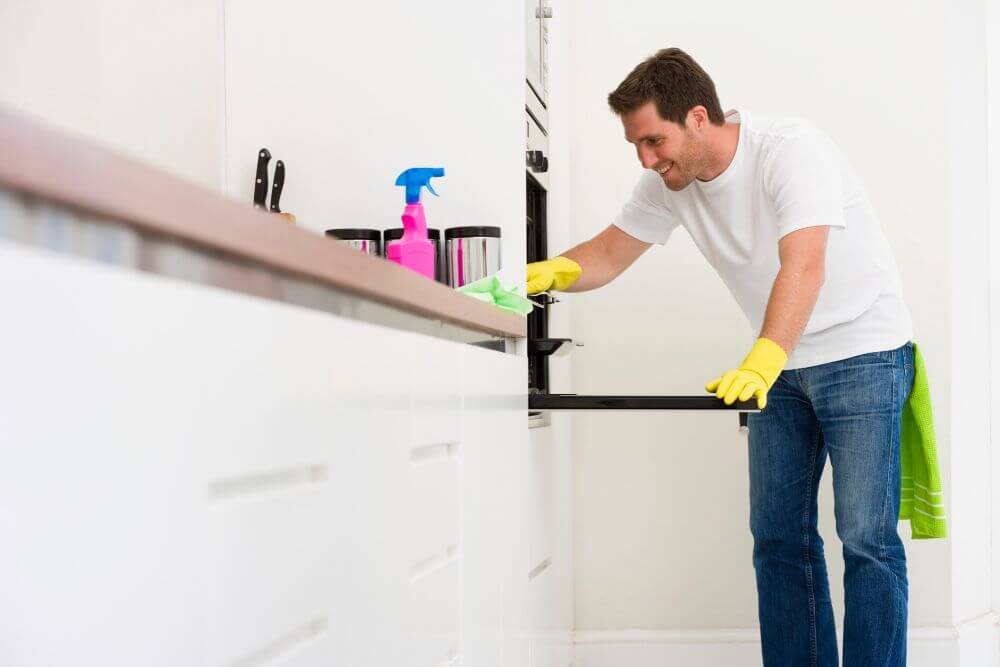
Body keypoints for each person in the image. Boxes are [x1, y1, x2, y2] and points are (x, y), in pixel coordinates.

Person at [526, 47, 915, 666]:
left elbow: (805, 265)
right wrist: (546, 274)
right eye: (637, 146)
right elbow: (607, 253)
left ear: (699, 117)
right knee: (778, 538)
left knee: (866, 540)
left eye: (654, 140)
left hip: (862, 352)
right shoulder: (669, 183)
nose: (648, 159)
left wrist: (762, 359)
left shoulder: (790, 149)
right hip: (777, 364)